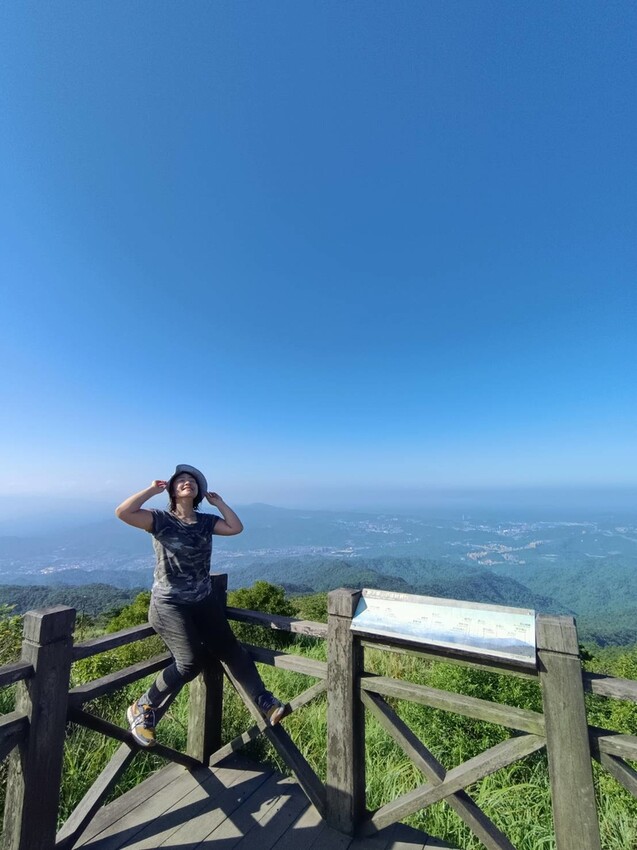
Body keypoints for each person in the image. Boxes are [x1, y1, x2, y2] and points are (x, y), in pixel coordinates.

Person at [115, 463, 289, 747]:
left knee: (233, 650)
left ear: (198, 492)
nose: (187, 483)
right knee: (189, 662)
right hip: (170, 603)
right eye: (181, 481)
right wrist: (150, 489)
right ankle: (143, 707)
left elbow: (235, 527)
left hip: (204, 599)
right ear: (172, 490)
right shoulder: (160, 519)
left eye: (192, 482)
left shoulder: (206, 521)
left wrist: (219, 503)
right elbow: (123, 513)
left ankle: (264, 700)